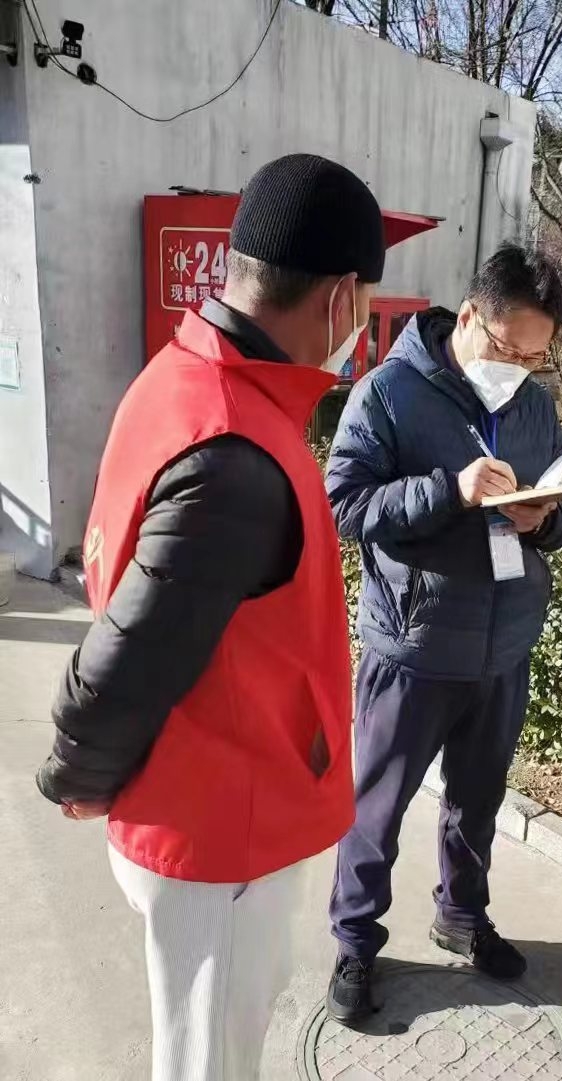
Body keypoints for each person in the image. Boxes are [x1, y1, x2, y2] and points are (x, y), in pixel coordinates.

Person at [35, 153, 385, 1081]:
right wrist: (78, 772)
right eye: (364, 303)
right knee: (209, 1064)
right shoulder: (237, 447)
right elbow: (133, 646)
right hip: (218, 827)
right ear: (340, 298)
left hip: (198, 800)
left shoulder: (183, 373)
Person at [325, 244, 562, 1024]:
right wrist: (449, 491)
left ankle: (462, 916)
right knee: (377, 806)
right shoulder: (389, 392)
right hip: (414, 644)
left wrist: (545, 520)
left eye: (534, 359)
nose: (519, 369)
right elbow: (343, 504)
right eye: (509, 350)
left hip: (502, 644)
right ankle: (355, 942)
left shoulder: (532, 407)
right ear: (469, 317)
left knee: (477, 800)